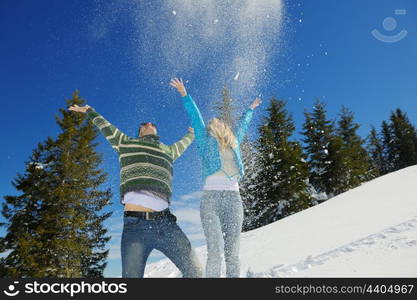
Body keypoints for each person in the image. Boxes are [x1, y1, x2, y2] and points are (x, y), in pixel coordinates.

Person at [68, 103, 202, 278]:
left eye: (153, 124)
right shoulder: (125, 143)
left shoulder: (168, 150)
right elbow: (106, 127)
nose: (149, 124)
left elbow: (185, 142)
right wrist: (89, 111)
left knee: (196, 272)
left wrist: (193, 133)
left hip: (166, 224)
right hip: (135, 227)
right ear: (139, 131)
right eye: (145, 123)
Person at [170, 78, 261, 277]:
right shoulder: (204, 141)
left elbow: (243, 125)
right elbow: (196, 117)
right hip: (211, 199)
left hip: (233, 199)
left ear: (223, 127)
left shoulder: (233, 141)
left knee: (232, 253)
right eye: (212, 123)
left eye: (217, 121)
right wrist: (184, 94)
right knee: (214, 251)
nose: (214, 122)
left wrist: (251, 109)